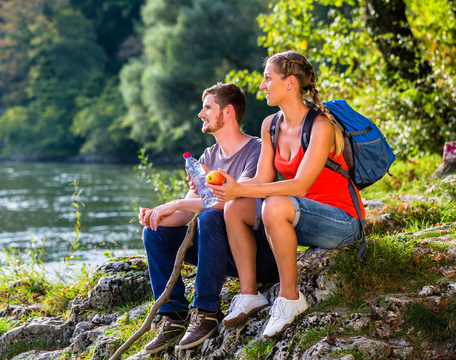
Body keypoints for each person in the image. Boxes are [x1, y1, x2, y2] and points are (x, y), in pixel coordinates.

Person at [207, 51, 364, 338]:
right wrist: (231, 188)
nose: (262, 85)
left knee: (274, 205)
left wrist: (241, 189)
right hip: (303, 217)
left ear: (290, 82)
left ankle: (291, 299)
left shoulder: (321, 125)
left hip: (342, 221)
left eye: (268, 78)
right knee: (236, 208)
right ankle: (249, 294)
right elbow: (262, 180)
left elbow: (300, 186)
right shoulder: (271, 126)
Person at [139, 82, 278, 353]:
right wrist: (157, 215)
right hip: (223, 252)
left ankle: (207, 311)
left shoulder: (257, 150)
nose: (201, 114)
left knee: (212, 216)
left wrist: (177, 202)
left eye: (207, 108)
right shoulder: (208, 156)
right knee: (155, 232)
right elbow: (189, 209)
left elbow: (232, 199)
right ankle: (174, 316)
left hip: (260, 255)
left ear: (228, 112)